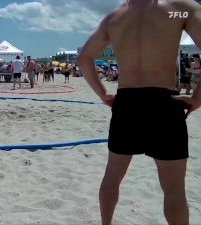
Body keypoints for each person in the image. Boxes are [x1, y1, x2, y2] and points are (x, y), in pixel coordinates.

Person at [77, 1, 201, 224]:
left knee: (112, 177)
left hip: (127, 103)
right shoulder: (180, 7)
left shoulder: (115, 17)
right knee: (173, 187)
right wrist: (198, 97)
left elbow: (84, 57)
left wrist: (103, 93)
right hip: (164, 102)